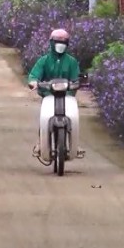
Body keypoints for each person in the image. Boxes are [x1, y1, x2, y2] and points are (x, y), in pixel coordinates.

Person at [27, 28, 86, 161]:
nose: (61, 44)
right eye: (57, 41)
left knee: (74, 118)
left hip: (67, 96)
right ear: (51, 43)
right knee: (44, 118)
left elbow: (76, 77)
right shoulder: (44, 60)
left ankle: (75, 144)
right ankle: (41, 143)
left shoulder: (71, 61)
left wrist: (78, 83)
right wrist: (34, 82)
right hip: (48, 95)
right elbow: (34, 75)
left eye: (64, 42)